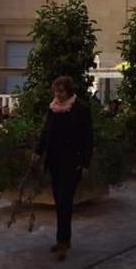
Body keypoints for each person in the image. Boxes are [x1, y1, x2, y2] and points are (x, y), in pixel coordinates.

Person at [33, 75, 94, 259]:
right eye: (56, 91)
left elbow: (87, 138)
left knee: (65, 199)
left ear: (68, 91)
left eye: (61, 91)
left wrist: (85, 162)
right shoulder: (53, 109)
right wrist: (38, 151)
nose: (58, 95)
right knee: (59, 200)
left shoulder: (80, 110)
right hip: (55, 160)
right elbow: (46, 132)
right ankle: (62, 239)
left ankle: (63, 240)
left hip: (72, 161)